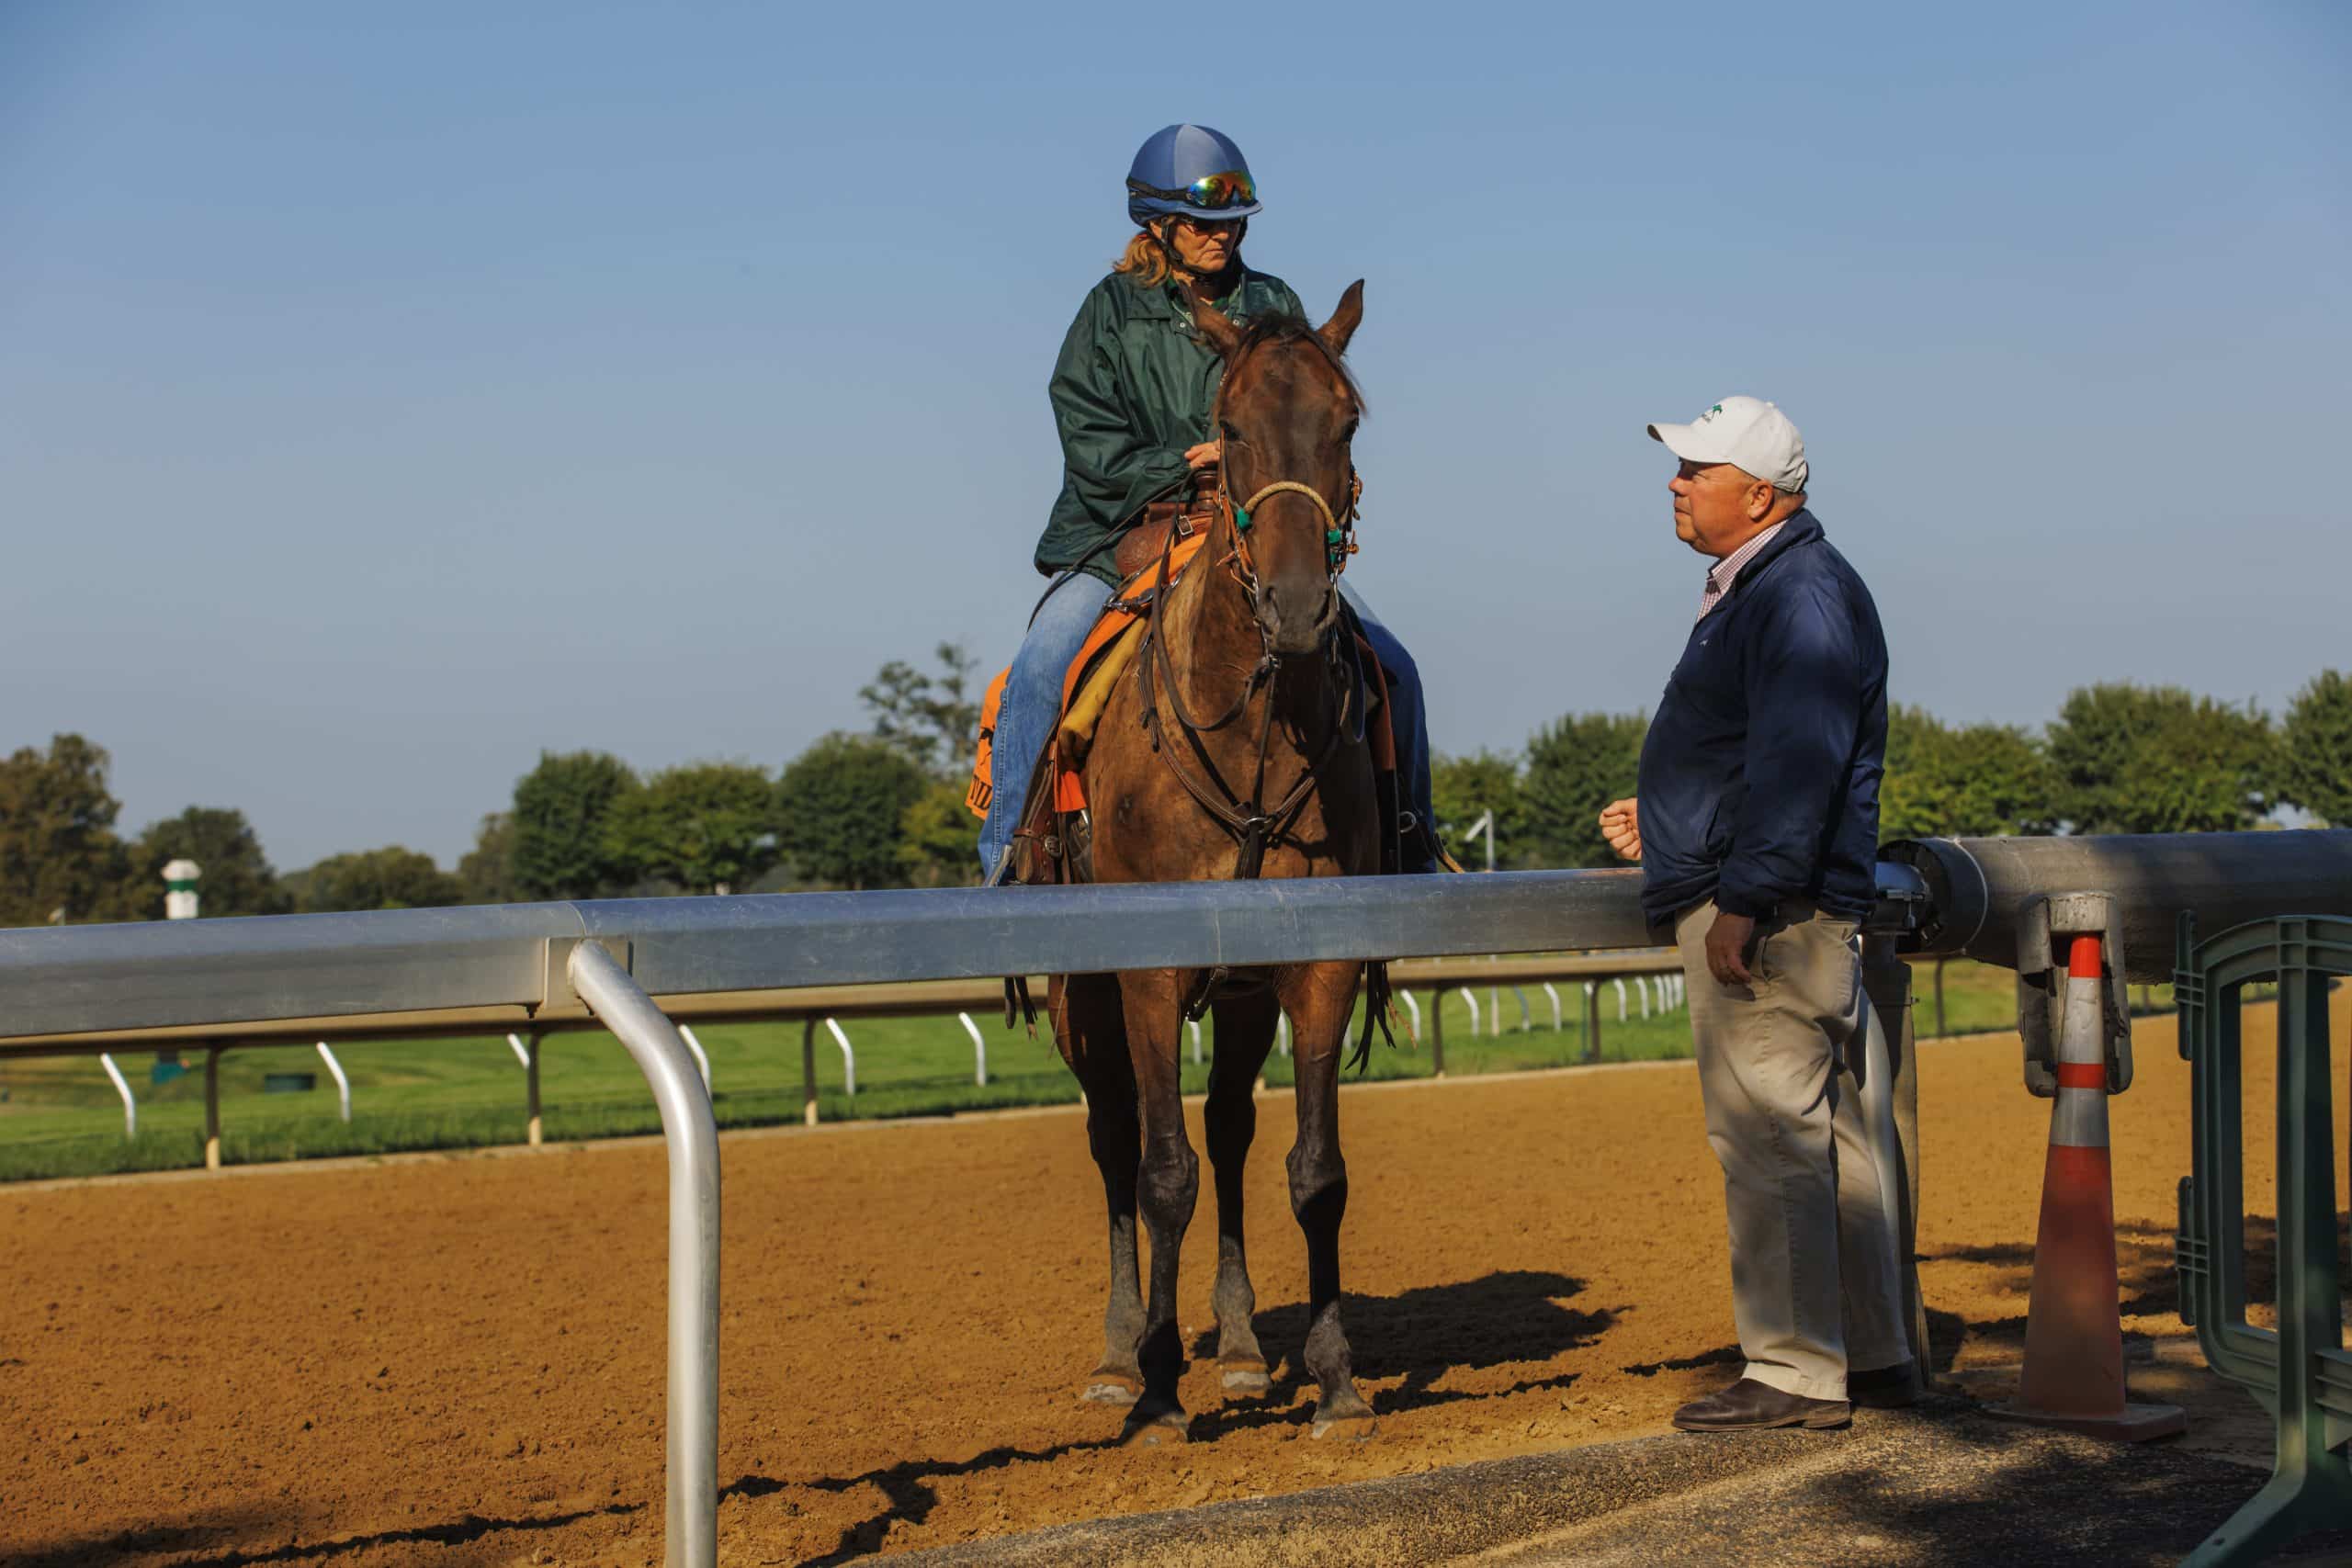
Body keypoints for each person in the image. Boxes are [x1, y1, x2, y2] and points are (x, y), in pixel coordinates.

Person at [978, 122, 1435, 881]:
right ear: (1157, 223)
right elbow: (1088, 440)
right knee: (1037, 668)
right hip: (1122, 536)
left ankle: (1411, 849)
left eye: (1231, 221)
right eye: (1201, 222)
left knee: (1396, 670)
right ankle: (1005, 870)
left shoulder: (1272, 300)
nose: (1220, 235)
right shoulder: (1110, 312)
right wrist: (1180, 466)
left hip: (1255, 534)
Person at [1598, 395, 1915, 1431]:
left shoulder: (1797, 594)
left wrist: (1738, 898)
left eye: (1696, 469)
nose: (1676, 483)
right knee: (1833, 1142)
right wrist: (1667, 813)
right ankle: (1868, 1357)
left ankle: (1789, 1371)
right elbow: (1754, 757)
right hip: (1780, 893)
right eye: (1679, 467)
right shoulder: (1778, 587)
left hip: (1771, 914)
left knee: (1771, 1138)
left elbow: (1798, 766)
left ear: (1760, 494)